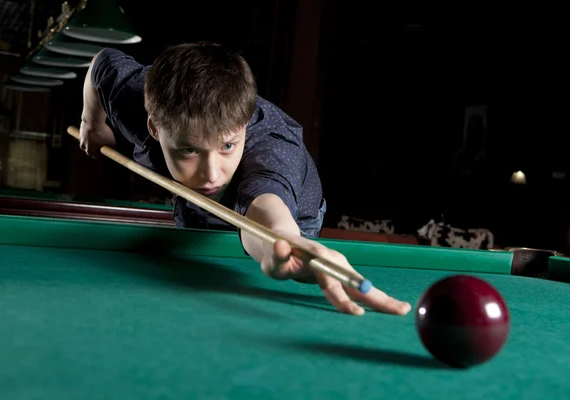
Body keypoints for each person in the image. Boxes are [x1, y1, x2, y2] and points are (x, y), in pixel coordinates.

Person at [78, 42, 411, 316]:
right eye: (190, 150)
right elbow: (102, 63)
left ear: (245, 126)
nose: (212, 173)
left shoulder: (271, 153)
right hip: (193, 202)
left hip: (294, 217)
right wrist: (91, 122)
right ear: (154, 127)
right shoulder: (132, 98)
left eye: (227, 146)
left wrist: (281, 242)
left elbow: (267, 210)